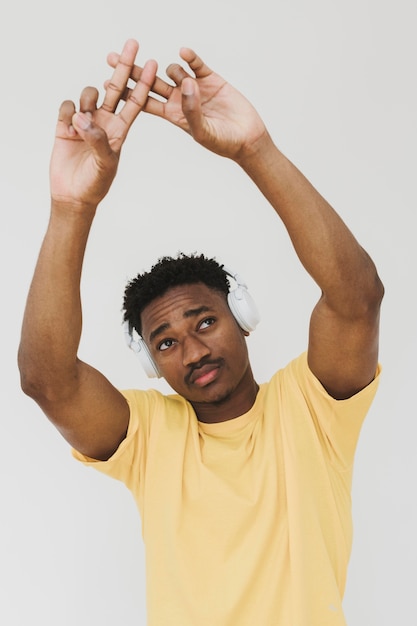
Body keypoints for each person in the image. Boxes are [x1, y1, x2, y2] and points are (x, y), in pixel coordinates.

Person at [18, 38, 384, 626]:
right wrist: (70, 209)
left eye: (205, 321)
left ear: (243, 316)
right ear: (151, 363)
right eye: (165, 342)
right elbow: (47, 382)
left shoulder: (312, 409)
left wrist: (255, 150)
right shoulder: (151, 438)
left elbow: (357, 298)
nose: (191, 349)